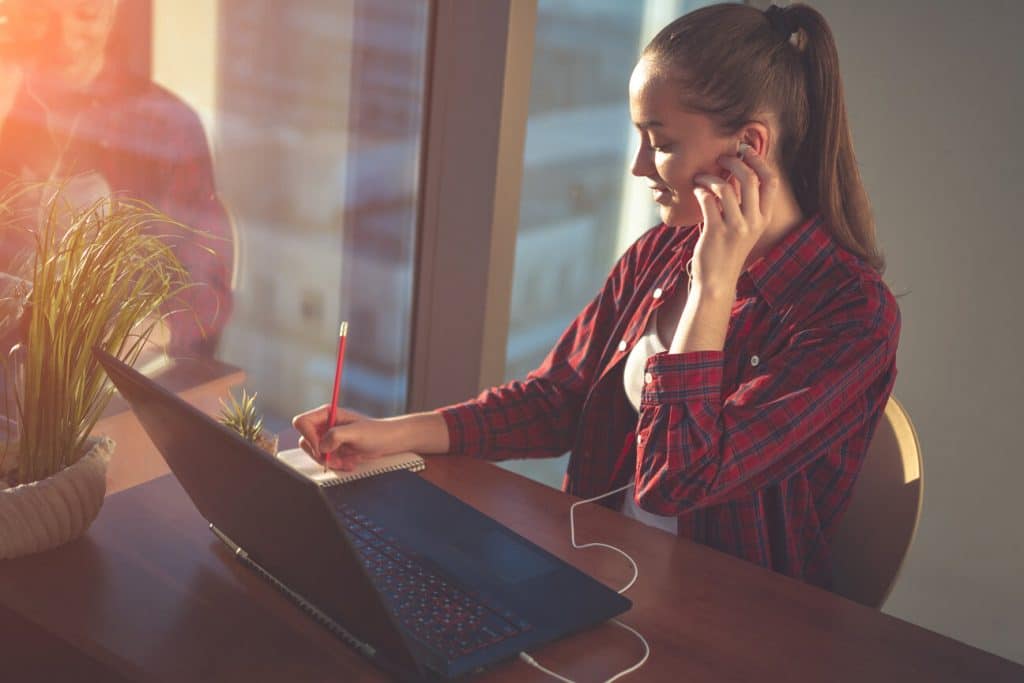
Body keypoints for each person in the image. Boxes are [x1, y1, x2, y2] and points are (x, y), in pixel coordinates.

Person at [293, 3, 900, 590]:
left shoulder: (851, 313)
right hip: (599, 576)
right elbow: (557, 401)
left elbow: (677, 479)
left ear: (750, 147)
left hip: (725, 628)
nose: (640, 166)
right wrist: (391, 434)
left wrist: (715, 286)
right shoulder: (659, 254)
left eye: (660, 142)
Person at [0, 0, 234, 358]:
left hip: (107, 368)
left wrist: (149, 333)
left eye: (82, 12)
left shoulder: (164, 126)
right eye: (44, 13)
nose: (63, 37)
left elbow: (206, 283)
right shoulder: (10, 104)